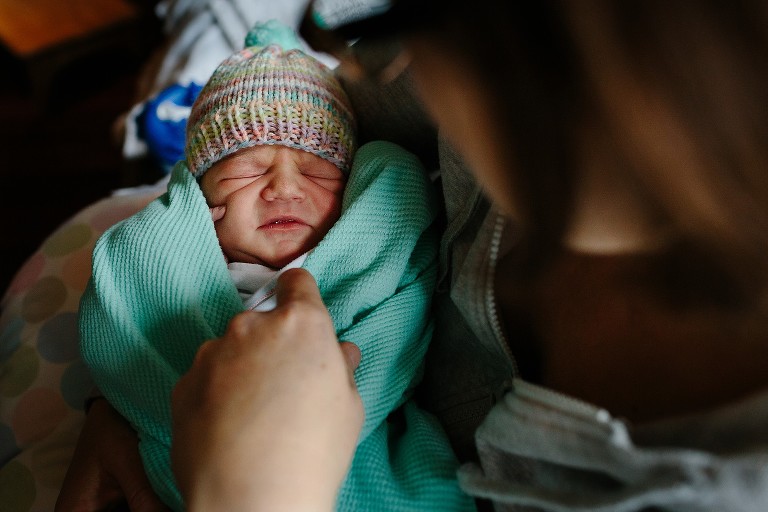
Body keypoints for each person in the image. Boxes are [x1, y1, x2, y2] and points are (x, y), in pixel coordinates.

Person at [59, 1, 768, 511]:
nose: (396, 65)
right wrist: (141, 386)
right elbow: (319, 109)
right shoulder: (468, 81)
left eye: (410, 27)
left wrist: (252, 489)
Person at [60, 19, 474, 512]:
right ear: (202, 202)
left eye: (318, 171)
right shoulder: (167, 267)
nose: (285, 188)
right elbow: (128, 324)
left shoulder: (372, 254)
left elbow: (393, 337)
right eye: (247, 170)